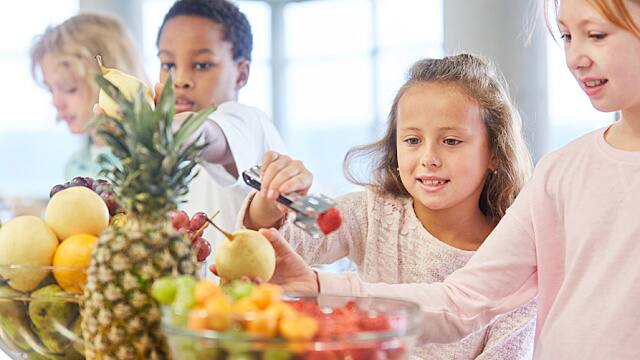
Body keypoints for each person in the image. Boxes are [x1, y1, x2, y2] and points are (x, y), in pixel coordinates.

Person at [260, 0, 640, 358]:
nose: (575, 58)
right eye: (568, 36)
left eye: (597, 35)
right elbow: (461, 301)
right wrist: (308, 273)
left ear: (493, 152)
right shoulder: (559, 172)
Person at [241, 54, 536, 359]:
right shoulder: (371, 214)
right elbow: (281, 253)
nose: (428, 157)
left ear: (495, 153)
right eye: (412, 140)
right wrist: (268, 206)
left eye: (451, 141)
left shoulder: (515, 259)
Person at [155, 0, 286, 262]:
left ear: (241, 74)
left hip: (249, 301)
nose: (179, 79)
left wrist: (159, 126)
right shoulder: (164, 148)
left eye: (202, 65)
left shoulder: (246, 121)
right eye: (168, 65)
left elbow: (205, 135)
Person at [30, 13, 149, 180]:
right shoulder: (74, 166)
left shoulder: (149, 165)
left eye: (69, 88)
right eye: (51, 89)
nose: (56, 102)